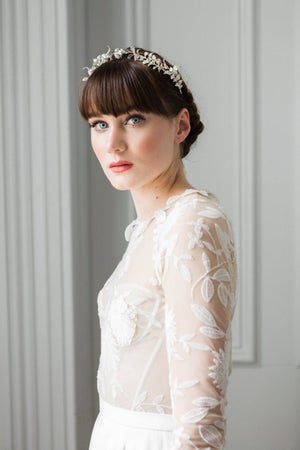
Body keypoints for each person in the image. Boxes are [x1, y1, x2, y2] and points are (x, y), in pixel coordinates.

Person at [79, 46, 238, 450]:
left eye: (133, 119)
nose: (113, 143)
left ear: (180, 125)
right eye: (99, 124)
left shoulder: (192, 223)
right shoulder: (150, 227)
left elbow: (201, 408)